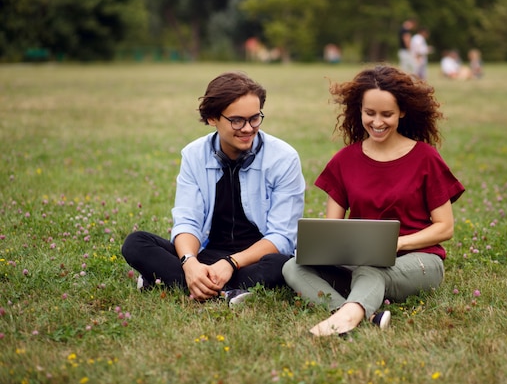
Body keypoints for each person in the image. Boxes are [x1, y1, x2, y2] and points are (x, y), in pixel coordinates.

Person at [283, 65, 465, 336]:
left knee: (371, 269)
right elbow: (332, 228)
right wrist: (323, 250)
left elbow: (444, 228)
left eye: (387, 114)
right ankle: (354, 314)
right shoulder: (344, 160)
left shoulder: (425, 158)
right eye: (370, 113)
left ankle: (343, 318)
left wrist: (394, 244)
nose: (377, 122)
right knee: (292, 267)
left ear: (402, 111)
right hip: (359, 263)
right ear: (359, 110)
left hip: (419, 261)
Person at [122, 71, 306, 305]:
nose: (248, 128)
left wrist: (230, 263)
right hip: (206, 254)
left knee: (284, 265)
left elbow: (281, 236)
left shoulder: (284, 158)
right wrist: (189, 262)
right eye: (237, 120)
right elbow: (188, 221)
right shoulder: (193, 155)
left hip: (256, 257)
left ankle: (173, 281)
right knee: (136, 243)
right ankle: (221, 287)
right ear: (212, 118)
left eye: (255, 118)